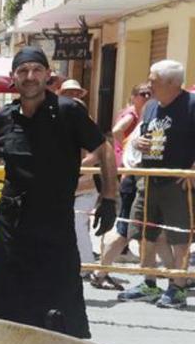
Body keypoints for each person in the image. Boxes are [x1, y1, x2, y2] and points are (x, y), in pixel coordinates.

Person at [0, 46, 117, 338]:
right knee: (7, 299)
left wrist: (109, 197)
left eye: (36, 70)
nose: (30, 76)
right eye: (23, 71)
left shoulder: (68, 111)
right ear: (13, 77)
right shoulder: (4, 117)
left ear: (47, 75)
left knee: (59, 298)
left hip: (54, 222)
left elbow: (104, 150)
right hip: (11, 225)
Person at [117, 60, 195, 309]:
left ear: (172, 83)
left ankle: (178, 288)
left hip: (177, 183)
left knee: (178, 237)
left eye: (153, 80)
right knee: (144, 233)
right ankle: (148, 283)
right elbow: (141, 135)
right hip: (148, 180)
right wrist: (138, 143)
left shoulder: (191, 106)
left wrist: (192, 172)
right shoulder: (150, 107)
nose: (149, 84)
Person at [91, 82, 152, 290]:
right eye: (143, 93)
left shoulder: (144, 116)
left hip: (132, 174)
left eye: (149, 94)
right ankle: (102, 272)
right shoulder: (134, 116)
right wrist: (122, 150)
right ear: (134, 96)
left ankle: (168, 278)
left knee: (151, 232)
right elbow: (116, 131)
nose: (147, 96)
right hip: (132, 176)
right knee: (125, 229)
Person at [57, 79, 102, 269]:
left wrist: (76, 168)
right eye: (68, 93)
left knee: (78, 225)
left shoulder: (86, 122)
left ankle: (87, 265)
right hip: (60, 186)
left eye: (76, 93)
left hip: (83, 186)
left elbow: (99, 152)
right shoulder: (53, 121)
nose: (72, 96)